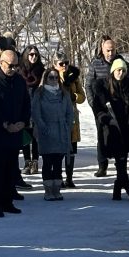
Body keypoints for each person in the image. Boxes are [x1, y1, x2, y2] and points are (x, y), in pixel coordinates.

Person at [0, 49, 29, 218]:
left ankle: (8, 201)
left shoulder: (19, 81)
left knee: (11, 169)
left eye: (17, 65)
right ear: (1, 63)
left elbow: (26, 103)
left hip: (15, 132)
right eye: (11, 65)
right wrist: (6, 124)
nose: (14, 68)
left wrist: (22, 122)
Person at [92, 58, 129, 201]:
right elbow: (98, 107)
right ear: (113, 71)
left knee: (122, 160)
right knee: (120, 159)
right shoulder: (104, 87)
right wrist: (104, 118)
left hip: (126, 127)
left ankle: (118, 186)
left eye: (123, 70)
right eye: (118, 70)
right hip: (112, 128)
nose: (120, 73)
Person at [84, 37, 129, 177]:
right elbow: (88, 85)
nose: (110, 53)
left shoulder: (123, 63)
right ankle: (102, 165)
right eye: (108, 50)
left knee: (121, 135)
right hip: (101, 107)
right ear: (102, 49)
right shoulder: (95, 64)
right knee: (102, 135)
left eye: (113, 50)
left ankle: (121, 165)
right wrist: (93, 104)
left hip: (120, 106)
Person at [31, 68, 74, 201]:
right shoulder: (39, 93)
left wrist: (68, 126)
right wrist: (43, 127)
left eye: (56, 77)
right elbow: (36, 112)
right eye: (51, 77)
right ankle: (48, 190)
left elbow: (69, 112)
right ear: (45, 78)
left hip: (61, 131)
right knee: (48, 161)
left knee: (58, 161)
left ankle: (57, 189)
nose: (54, 80)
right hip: (47, 131)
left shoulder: (64, 94)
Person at [53, 52, 84, 188]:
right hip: (57, 116)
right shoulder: (52, 77)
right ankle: (58, 177)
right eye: (61, 63)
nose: (64, 65)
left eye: (66, 62)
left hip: (71, 115)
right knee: (59, 148)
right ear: (55, 65)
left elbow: (82, 97)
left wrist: (74, 96)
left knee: (71, 149)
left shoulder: (74, 77)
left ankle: (69, 178)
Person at [19, 46, 45, 175]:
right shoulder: (20, 71)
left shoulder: (42, 71)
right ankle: (26, 161)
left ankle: (35, 161)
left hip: (38, 106)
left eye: (36, 54)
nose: (33, 57)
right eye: (31, 55)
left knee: (36, 136)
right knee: (25, 135)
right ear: (26, 56)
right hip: (23, 106)